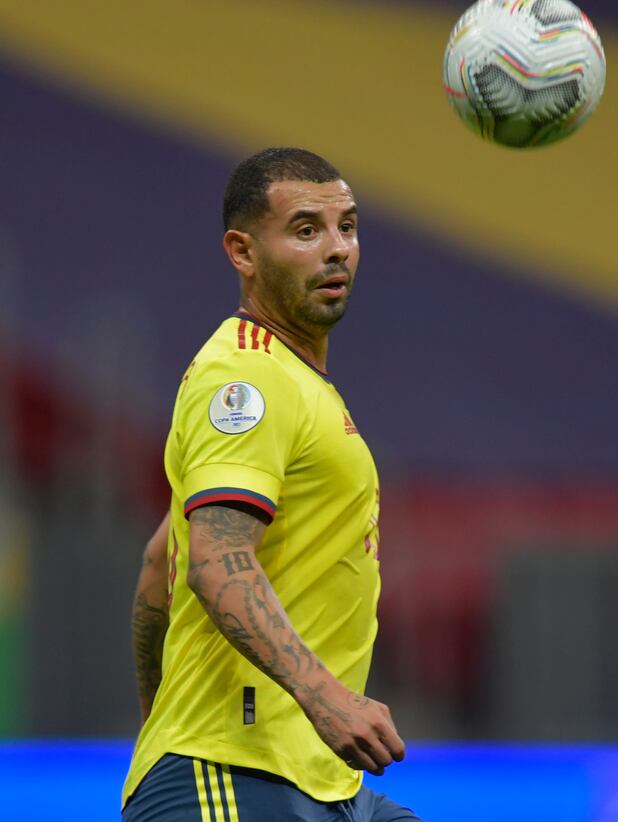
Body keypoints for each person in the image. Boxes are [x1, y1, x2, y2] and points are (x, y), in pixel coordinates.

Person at [122, 148, 418, 821]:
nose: (336, 249)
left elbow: (155, 568)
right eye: (307, 230)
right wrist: (326, 696)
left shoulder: (292, 381)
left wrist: (157, 722)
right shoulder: (247, 383)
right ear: (243, 252)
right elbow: (216, 563)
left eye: (348, 226)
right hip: (235, 771)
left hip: (315, 779)